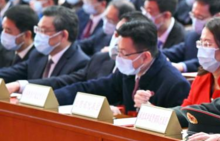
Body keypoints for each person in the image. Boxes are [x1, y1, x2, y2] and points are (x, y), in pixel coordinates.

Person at [54, 18, 190, 114]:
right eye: (118, 51)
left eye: (124, 53)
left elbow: (177, 127)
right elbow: (92, 88)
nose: (118, 58)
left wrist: (150, 111)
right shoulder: (129, 72)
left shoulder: (175, 83)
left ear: (145, 57)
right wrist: (53, 98)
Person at [13, 12, 147, 93]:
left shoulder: (142, 69)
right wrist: (22, 86)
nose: (117, 39)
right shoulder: (99, 59)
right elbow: (70, 83)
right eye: (116, 33)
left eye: (122, 35)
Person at [0, 6, 89, 89]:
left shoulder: (81, 62)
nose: (38, 34)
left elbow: (56, 84)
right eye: (38, 29)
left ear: (63, 35)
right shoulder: (38, 54)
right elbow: (14, 71)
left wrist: (20, 86)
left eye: (44, 30)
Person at [166, 0, 220, 73]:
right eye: (193, 15)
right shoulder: (192, 35)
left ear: (217, 16)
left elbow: (209, 62)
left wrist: (182, 66)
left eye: (200, 17)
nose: (195, 21)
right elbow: (177, 51)